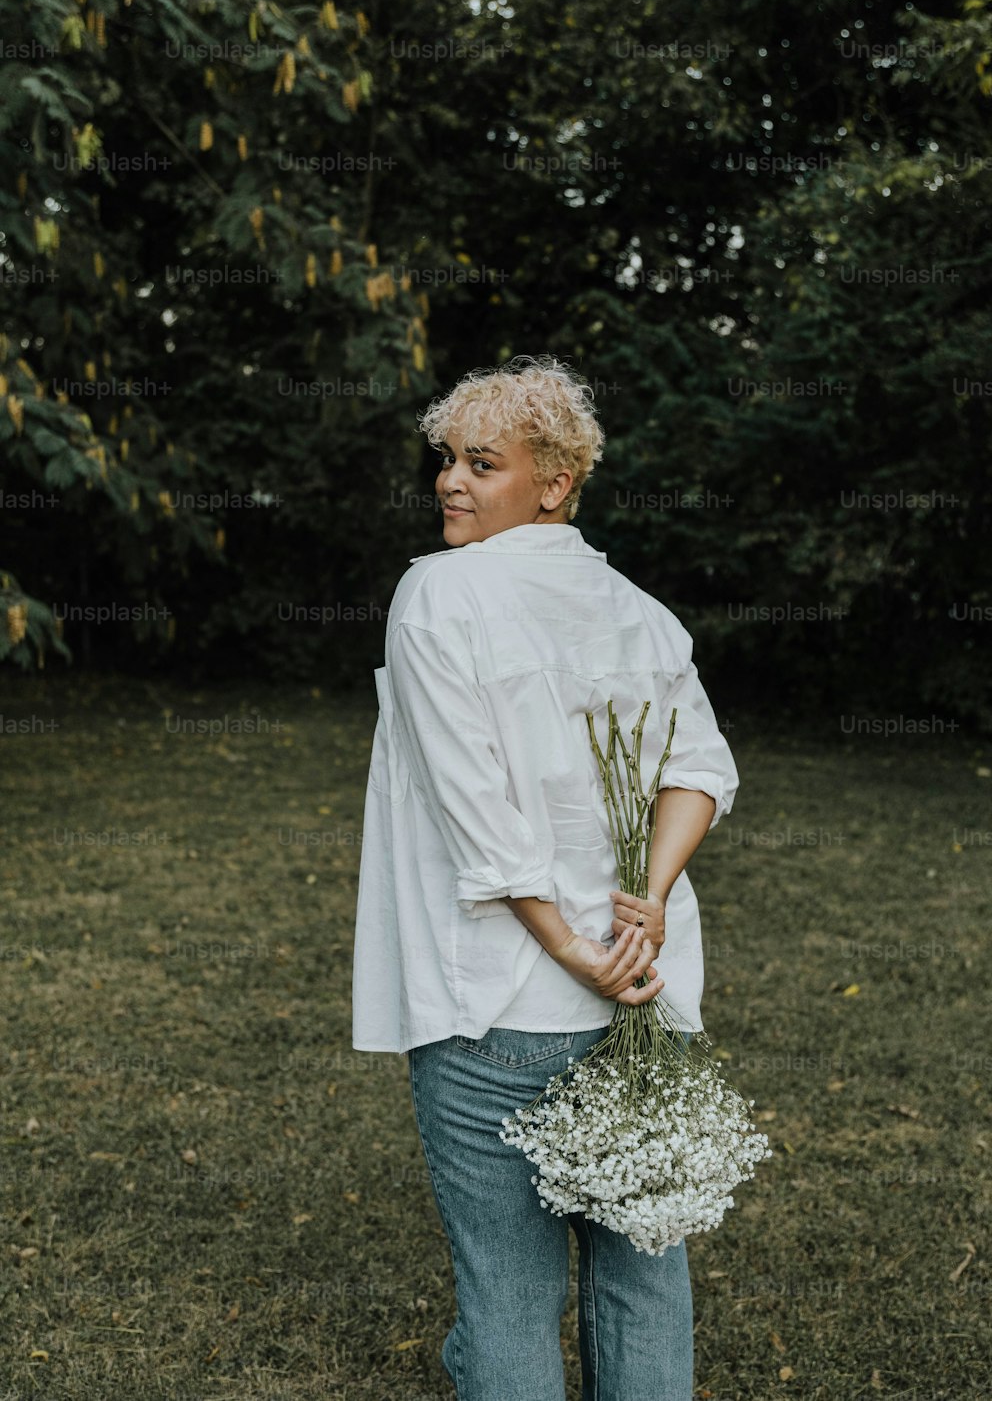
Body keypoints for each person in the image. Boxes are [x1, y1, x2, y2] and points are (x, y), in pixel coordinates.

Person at [352, 354, 739, 1401]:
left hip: (498, 1004)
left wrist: (575, 945)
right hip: (645, 999)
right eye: (446, 459)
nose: (450, 481)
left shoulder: (438, 595)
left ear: (554, 481)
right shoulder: (639, 610)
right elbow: (698, 771)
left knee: (512, 1300)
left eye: (483, 462)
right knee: (642, 1280)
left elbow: (480, 821)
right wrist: (649, 904)